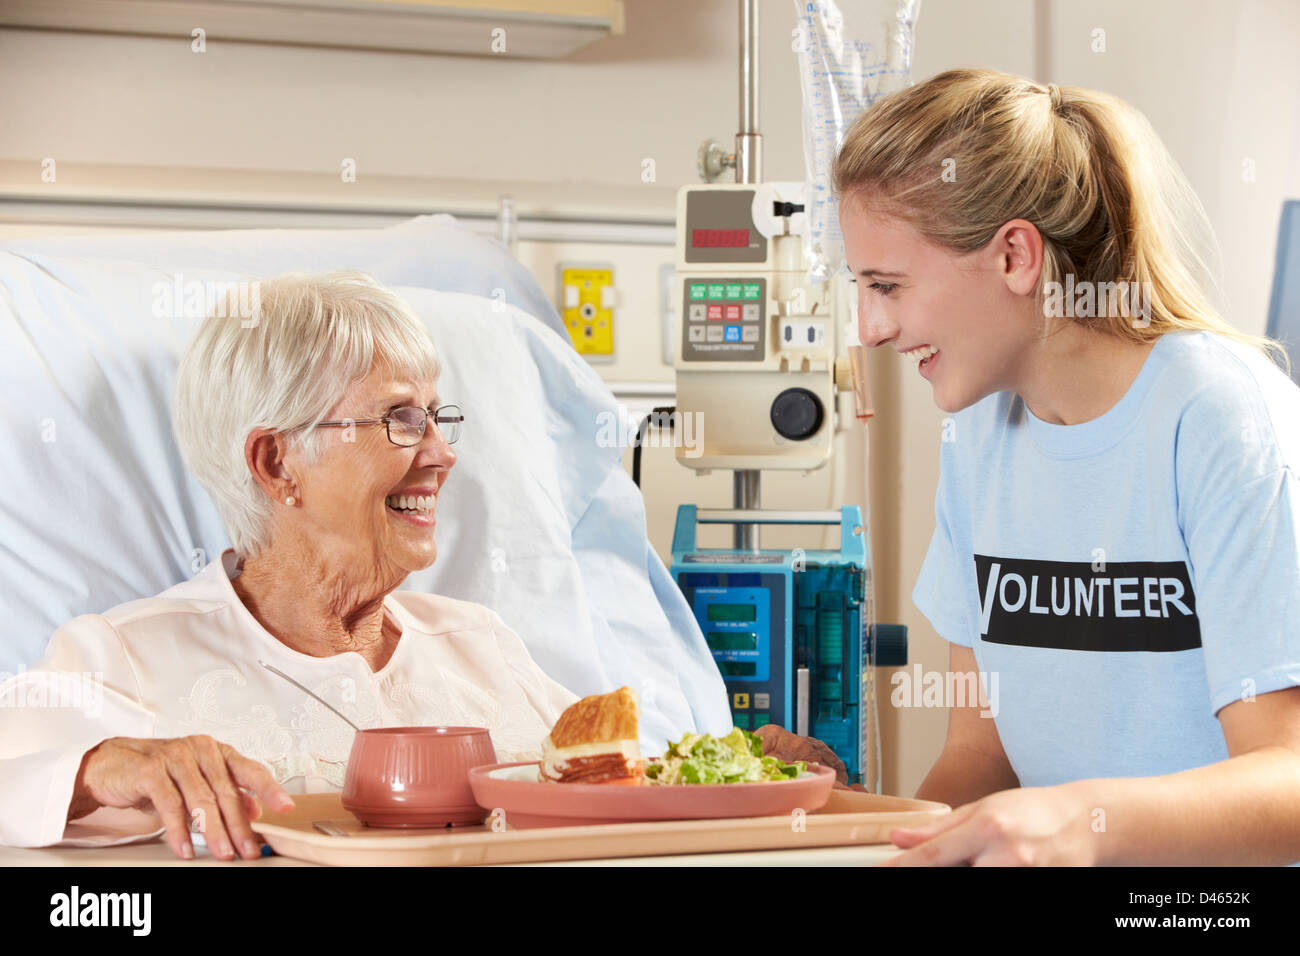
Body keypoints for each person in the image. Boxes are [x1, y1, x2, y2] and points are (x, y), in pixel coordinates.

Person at [833, 68, 1300, 865]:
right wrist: (838, 816)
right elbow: (982, 762)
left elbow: (1288, 780)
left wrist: (1079, 821)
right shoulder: (981, 433)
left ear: (1016, 254)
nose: (870, 329)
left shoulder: (1219, 415)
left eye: (887, 286)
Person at [0, 271, 579, 861]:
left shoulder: (481, 644)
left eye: (435, 416)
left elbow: (636, 784)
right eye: (400, 419)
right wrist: (90, 769)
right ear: (277, 462)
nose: (442, 453)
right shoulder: (125, 658)